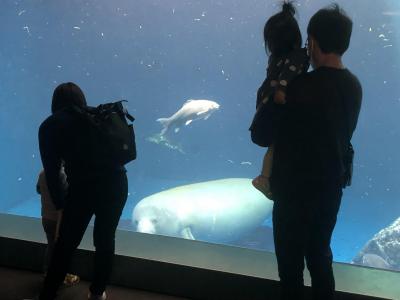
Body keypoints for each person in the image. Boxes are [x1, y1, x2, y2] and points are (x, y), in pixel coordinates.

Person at [269, 4, 362, 300]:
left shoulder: (301, 87)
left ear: (312, 41)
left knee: (290, 265)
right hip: (330, 188)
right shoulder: (353, 85)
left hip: (294, 190)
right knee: (320, 256)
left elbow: (262, 134)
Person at [37, 82, 128, 300]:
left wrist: (59, 205)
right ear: (81, 99)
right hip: (116, 185)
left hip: (83, 189)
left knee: (65, 244)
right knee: (105, 240)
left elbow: (52, 171)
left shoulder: (50, 125)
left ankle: (47, 295)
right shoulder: (99, 116)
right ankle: (97, 293)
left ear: (55, 102)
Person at [251, 1, 309, 199]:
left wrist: (276, 94)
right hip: (277, 108)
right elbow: (283, 77)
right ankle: (267, 180)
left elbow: (280, 78)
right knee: (276, 147)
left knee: (274, 147)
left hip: (273, 108)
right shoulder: (293, 56)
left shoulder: (285, 57)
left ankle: (266, 179)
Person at [36, 166, 80, 286]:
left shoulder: (42, 173)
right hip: (58, 219)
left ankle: (47, 272)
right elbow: (67, 195)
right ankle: (60, 276)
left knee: (51, 246)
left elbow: (38, 190)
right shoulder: (62, 174)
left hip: (46, 217)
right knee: (61, 249)